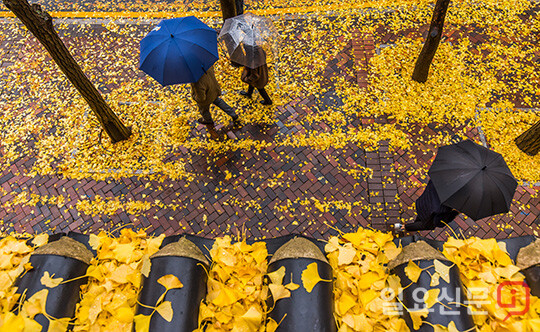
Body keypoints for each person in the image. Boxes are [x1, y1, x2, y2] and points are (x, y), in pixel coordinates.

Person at [395, 180, 459, 233]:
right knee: (424, 225)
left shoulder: (442, 175)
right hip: (430, 214)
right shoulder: (449, 201)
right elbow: (439, 222)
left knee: (421, 216)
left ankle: (413, 224)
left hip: (424, 202)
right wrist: (455, 213)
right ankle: (400, 227)